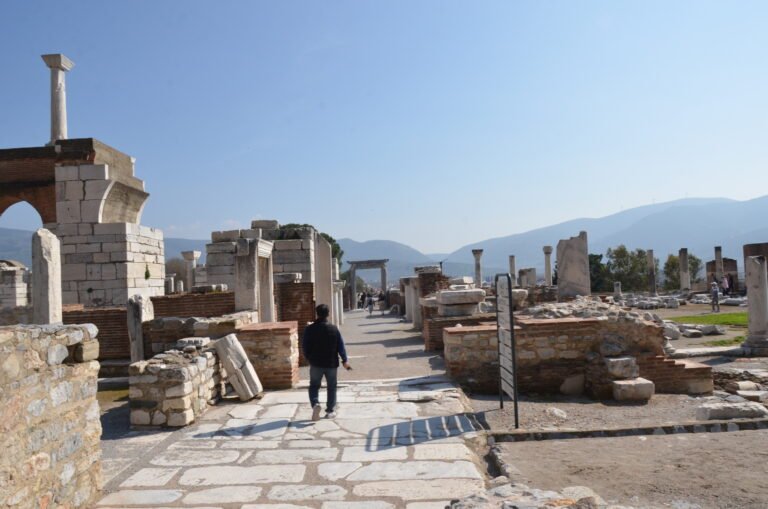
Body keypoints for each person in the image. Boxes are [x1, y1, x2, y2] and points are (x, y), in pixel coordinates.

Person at [302, 304, 351, 420]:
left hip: (316, 363)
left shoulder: (309, 329)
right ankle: (330, 411)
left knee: (314, 386)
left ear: (317, 313)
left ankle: (315, 404)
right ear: (328, 314)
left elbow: (304, 346)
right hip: (331, 363)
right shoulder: (334, 329)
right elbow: (341, 346)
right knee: (332, 387)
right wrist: (345, 360)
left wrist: (309, 358)